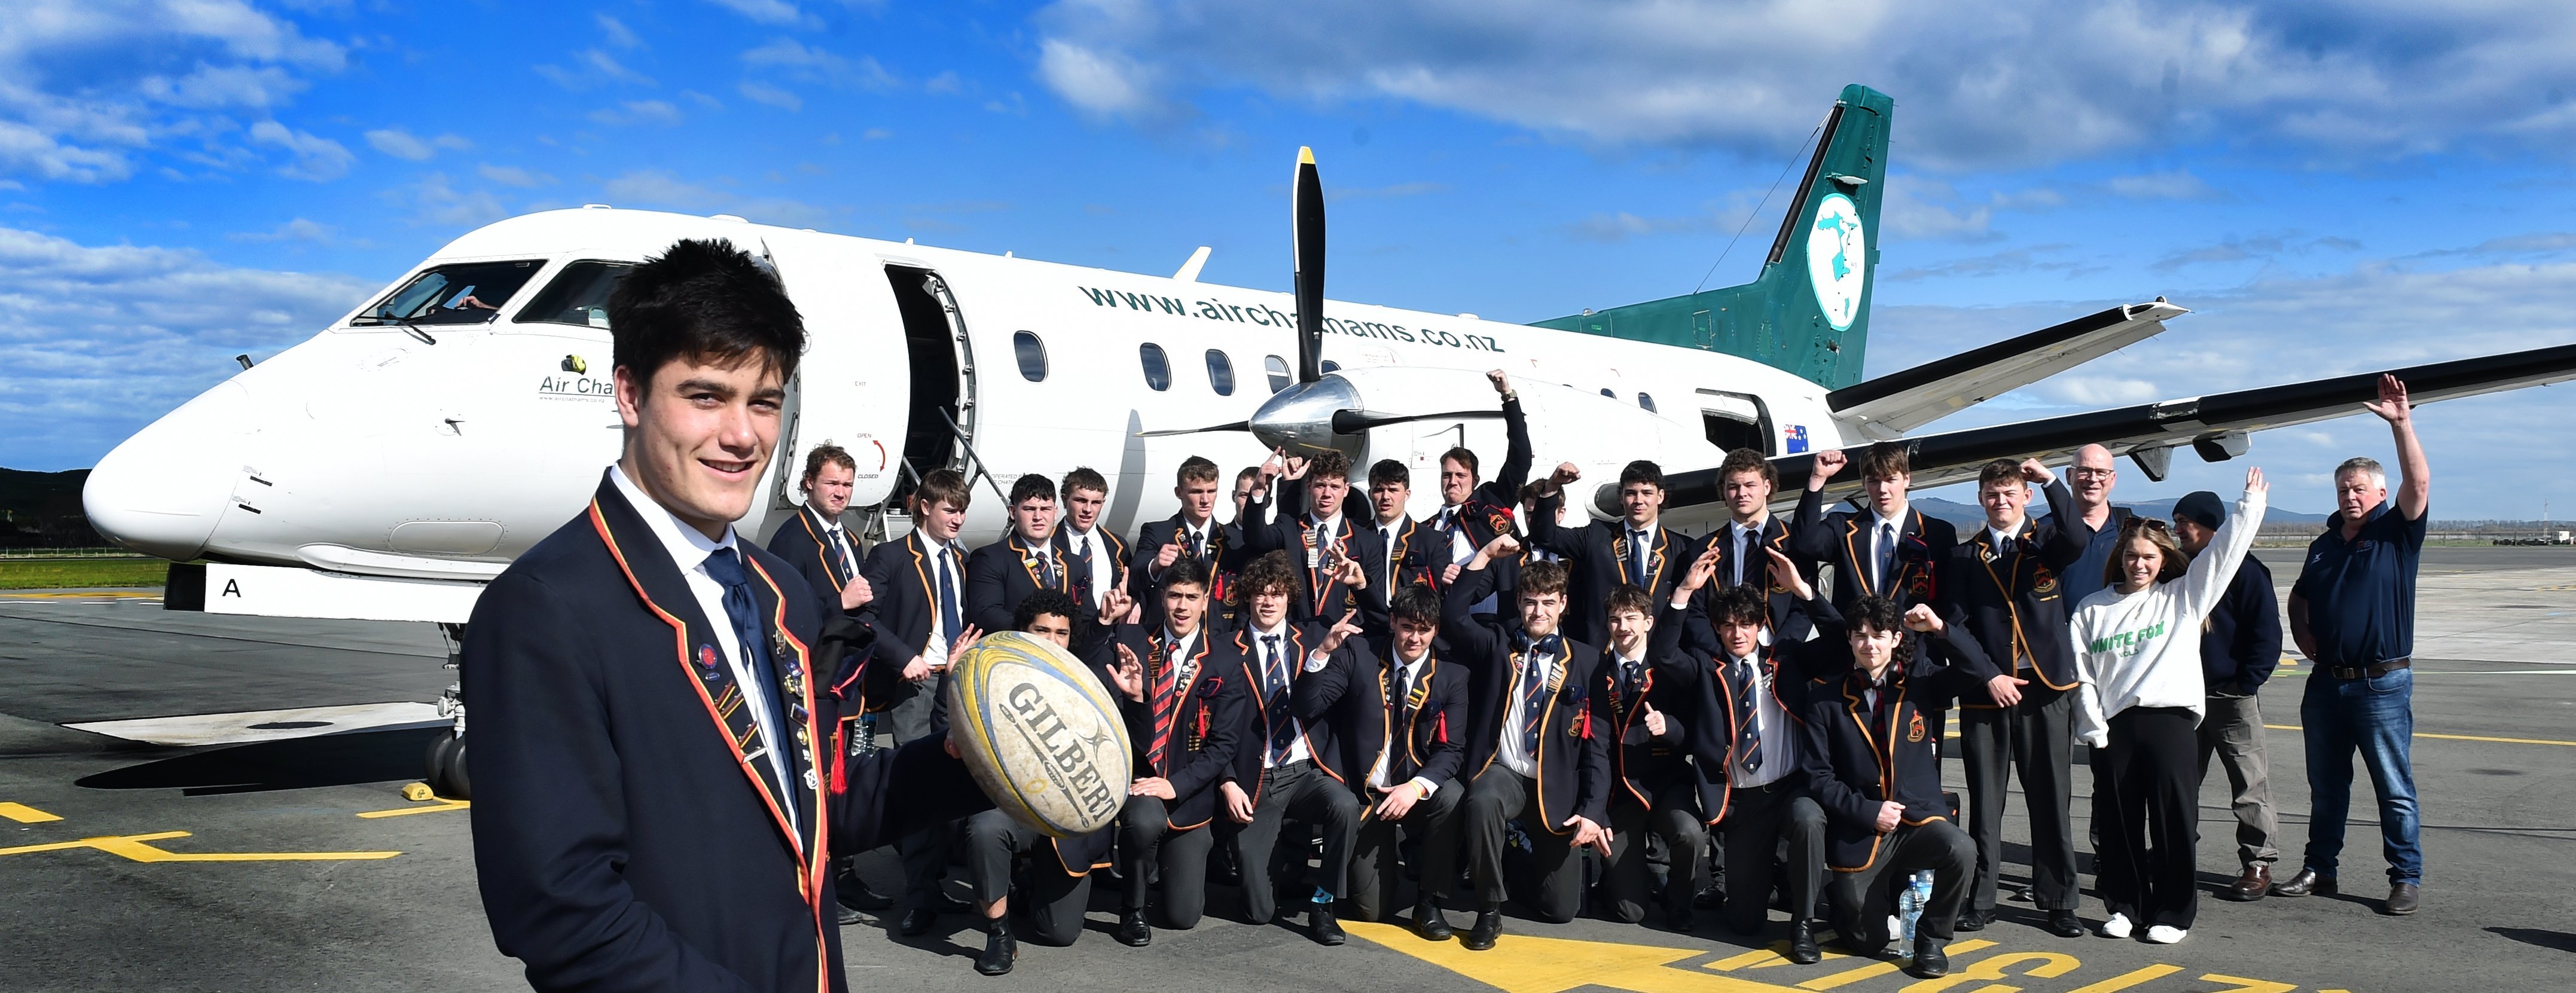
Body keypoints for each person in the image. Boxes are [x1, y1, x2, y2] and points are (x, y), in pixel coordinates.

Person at [462, 237, 989, 991]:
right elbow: (561, 909)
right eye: (706, 395)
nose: (743, 435)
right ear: (630, 392)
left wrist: (972, 758)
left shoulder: (778, 590)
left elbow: (812, 807)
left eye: (764, 401)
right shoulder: (546, 607)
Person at [2067, 467, 2268, 946]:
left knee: (2174, 819)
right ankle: (2123, 905)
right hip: (2114, 728)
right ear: (2120, 558)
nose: (2139, 565)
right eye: (2132, 556)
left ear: (2163, 561)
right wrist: (2093, 727)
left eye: (2149, 557)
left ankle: (2173, 911)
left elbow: (2224, 555)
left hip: (2171, 723)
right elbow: (2082, 674)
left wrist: (2250, 507)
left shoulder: (2183, 598)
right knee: (2117, 822)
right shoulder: (2092, 608)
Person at [2276, 375, 2430, 916]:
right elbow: (2299, 596)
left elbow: (2421, 482)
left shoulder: (2396, 533)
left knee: (2393, 786)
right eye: (2343, 488)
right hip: (2327, 682)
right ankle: (2322, 868)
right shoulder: (2322, 545)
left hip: (2381, 681)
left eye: (2360, 488)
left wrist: (2402, 425)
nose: (2350, 496)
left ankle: (2405, 875)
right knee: (2326, 784)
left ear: (2380, 494)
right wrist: (2301, 631)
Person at [1936, 459, 2089, 937]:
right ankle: (1981, 897)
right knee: (1986, 802)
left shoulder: (2045, 542)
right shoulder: (1965, 556)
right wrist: (1988, 676)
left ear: (2024, 496)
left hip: (2045, 687)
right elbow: (1955, 626)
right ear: (1980, 498)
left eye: (2009, 493)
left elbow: (2077, 539)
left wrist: (2050, 482)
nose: (2000, 502)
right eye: (1991, 494)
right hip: (1988, 691)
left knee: (2050, 795)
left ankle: (2059, 898)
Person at [1802, 596, 1991, 980]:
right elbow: (1818, 777)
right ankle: (1843, 899)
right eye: (1860, 636)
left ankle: (1931, 940)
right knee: (1867, 941)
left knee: (1962, 849)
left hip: (1918, 819)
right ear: (1850, 641)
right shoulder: (1824, 698)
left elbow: (1976, 668)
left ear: (1895, 639)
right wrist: (1869, 811)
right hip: (1863, 827)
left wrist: (1940, 629)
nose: (1869, 644)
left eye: (1878, 636)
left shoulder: (1921, 682)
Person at [1440, 536, 1612, 951]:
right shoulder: (1498, 644)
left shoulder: (1587, 660)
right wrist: (1482, 556)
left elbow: (1599, 745)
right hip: (1505, 771)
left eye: (1548, 602)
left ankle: (1514, 860)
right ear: (1519, 603)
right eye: (1531, 602)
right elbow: (1452, 615)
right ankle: (1488, 908)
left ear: (1563, 605)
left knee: (1560, 910)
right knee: (1483, 800)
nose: (1539, 611)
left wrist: (1592, 810)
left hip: (1556, 788)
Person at [1667, 545, 1833, 961]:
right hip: (1743, 801)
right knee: (1743, 921)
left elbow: (1840, 645)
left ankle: (1803, 923)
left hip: (1790, 788)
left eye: (1746, 624)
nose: (1738, 633)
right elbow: (1665, 654)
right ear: (1718, 630)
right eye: (1728, 626)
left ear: (1761, 625)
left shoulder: (1787, 659)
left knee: (1809, 819)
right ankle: (1766, 876)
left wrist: (1804, 591)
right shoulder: (1708, 668)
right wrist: (1685, 591)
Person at [955, 589, 1123, 975]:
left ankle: (1024, 883)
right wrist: (954, 690)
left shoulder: (1088, 681)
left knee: (1059, 932)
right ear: (1022, 632)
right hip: (1013, 807)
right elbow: (947, 735)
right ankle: (998, 933)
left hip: (1069, 816)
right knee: (985, 828)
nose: (1052, 641)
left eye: (1061, 633)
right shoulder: (990, 674)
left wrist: (1136, 700)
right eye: (1041, 630)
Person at [1295, 585, 1470, 939]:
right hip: (1366, 793)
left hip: (1412, 788)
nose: (1415, 638)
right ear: (1392, 622)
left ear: (1436, 630)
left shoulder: (1453, 675)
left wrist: (1415, 788)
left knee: (1451, 795)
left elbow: (1452, 750)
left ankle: (1429, 902)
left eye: (1425, 630)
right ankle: (1351, 881)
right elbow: (1307, 707)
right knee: (1372, 911)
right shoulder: (1359, 654)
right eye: (1407, 627)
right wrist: (1322, 654)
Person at [763, 442, 892, 921]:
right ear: (808, 484)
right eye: (831, 483)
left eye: (846, 484)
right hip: (813, 688)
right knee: (814, 785)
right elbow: (782, 616)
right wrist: (841, 600)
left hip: (848, 684)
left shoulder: (851, 538)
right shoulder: (791, 540)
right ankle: (815, 883)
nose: (840, 492)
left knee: (846, 783)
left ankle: (844, 874)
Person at [1217, 551, 1368, 945]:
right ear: (1248, 598)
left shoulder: (1312, 640)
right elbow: (1210, 727)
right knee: (1259, 912)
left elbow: (1369, 625)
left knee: (1345, 804)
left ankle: (1323, 904)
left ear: (1289, 598)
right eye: (1261, 594)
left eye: (1277, 593)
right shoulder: (1226, 648)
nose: (1268, 601)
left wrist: (1359, 587)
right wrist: (1227, 780)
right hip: (1257, 779)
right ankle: (1270, 862)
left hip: (1304, 770)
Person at [859, 468, 982, 936]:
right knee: (917, 786)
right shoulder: (890, 556)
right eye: (951, 509)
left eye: (963, 510)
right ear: (925, 506)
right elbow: (865, 620)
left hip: (954, 682)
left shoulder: (962, 558)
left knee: (950, 783)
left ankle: (933, 885)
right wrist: (903, 657)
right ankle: (919, 899)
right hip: (916, 684)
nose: (958, 518)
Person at [1106, 557, 1249, 946]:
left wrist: (1176, 784)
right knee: (1145, 821)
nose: (1182, 606)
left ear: (1205, 601)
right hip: (1140, 780)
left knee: (1184, 916)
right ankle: (1131, 907)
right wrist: (1134, 700)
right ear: (1161, 597)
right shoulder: (1132, 640)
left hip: (1188, 793)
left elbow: (1224, 745)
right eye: (1174, 595)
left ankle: (1161, 865)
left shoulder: (1226, 660)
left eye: (1191, 596)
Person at [2173, 489, 2285, 902]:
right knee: (2180, 782)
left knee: (2249, 783)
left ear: (2210, 527)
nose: (2178, 528)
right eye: (2176, 519)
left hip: (2230, 698)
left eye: (2185, 520)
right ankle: (2176, 854)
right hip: (2185, 698)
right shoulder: (2180, 569)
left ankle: (2258, 861)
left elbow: (2266, 635)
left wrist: (2246, 683)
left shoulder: (2247, 571)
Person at [1588, 583, 1704, 932]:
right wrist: (1595, 809)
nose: (1623, 627)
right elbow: (1594, 747)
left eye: (1631, 618)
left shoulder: (1670, 665)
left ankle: (1680, 901)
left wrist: (1668, 727)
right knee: (1629, 912)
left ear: (1649, 622)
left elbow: (1695, 737)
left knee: (1690, 834)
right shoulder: (1596, 671)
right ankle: (1620, 882)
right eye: (1615, 619)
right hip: (1622, 793)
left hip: (1666, 784)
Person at [1529, 459, 1691, 646]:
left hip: (1656, 658)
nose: (1639, 500)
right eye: (1631, 493)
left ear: (1660, 496)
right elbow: (1544, 535)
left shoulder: (1681, 548)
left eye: (1647, 493)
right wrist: (1552, 486)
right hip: (1603, 658)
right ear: (1621, 497)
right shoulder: (1596, 536)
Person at [1792, 443, 1953, 618]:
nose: (1882, 490)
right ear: (1864, 483)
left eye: (1891, 480)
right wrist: (1817, 478)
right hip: (1856, 643)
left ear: (1907, 479)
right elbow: (1804, 542)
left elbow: (1949, 602)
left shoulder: (1937, 533)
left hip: (1913, 643)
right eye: (1874, 481)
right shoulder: (1843, 528)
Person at [1246, 450, 1381, 634]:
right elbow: (1255, 537)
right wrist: (1259, 489)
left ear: (1346, 489)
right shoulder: (1290, 529)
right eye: (1321, 485)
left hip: (1344, 644)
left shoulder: (1368, 542)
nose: (1327, 494)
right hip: (1294, 642)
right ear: (1308, 486)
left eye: (1335, 487)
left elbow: (1375, 604)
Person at [1688, 447, 1813, 643]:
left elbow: (1804, 607)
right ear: (1723, 491)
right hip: (1722, 658)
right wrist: (1716, 654)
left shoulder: (1794, 543)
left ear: (1767, 487)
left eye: (1750, 485)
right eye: (1733, 487)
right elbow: (1695, 610)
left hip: (1781, 654)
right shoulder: (1703, 549)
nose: (1742, 493)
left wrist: (1781, 654)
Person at [1428, 370, 1533, 589]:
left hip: (1491, 616)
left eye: (1461, 475)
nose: (1453, 482)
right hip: (1440, 615)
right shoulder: (1428, 527)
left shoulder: (1492, 502)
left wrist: (1507, 396)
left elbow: (1520, 456)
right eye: (1447, 475)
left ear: (1474, 480)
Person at [1134, 456, 1250, 631]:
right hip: (1169, 638)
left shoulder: (1233, 539)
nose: (1205, 500)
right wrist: (1155, 565)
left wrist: (1236, 640)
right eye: (1196, 492)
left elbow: (1247, 598)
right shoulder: (1159, 532)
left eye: (1211, 491)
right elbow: (1136, 574)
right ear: (1179, 492)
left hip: (1220, 641)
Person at [966, 474, 1072, 633]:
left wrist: (1104, 619)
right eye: (1029, 509)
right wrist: (1036, 631)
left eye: (1045, 509)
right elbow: (985, 614)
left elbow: (1083, 620)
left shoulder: (1074, 564)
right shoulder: (990, 559)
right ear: (1013, 512)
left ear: (1055, 512)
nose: (1038, 517)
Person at [1365, 458, 1434, 635]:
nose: (1386, 497)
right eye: (1379, 490)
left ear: (1407, 494)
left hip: (1413, 633)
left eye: (1393, 490)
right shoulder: (1357, 538)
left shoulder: (1430, 540)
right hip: (1365, 632)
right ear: (1370, 493)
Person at [1056, 467, 1131, 621]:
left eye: (1096, 502)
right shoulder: (1048, 543)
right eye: (1081, 500)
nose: (1088, 510)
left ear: (1103, 503)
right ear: (1065, 500)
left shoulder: (1117, 546)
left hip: (1106, 635)